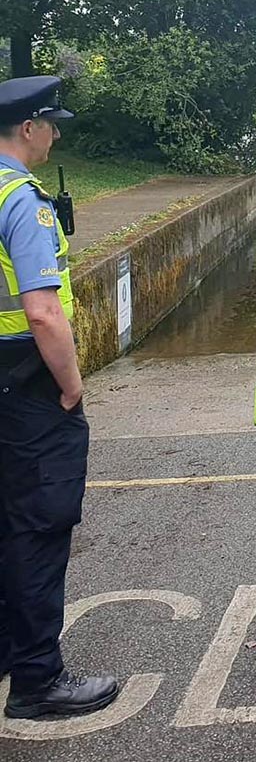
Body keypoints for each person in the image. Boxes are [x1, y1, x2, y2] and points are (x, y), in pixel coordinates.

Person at [0, 75, 119, 719]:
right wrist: (71, 384)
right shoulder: (23, 201)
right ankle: (38, 679)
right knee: (39, 523)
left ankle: (7, 649)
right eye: (51, 124)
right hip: (27, 380)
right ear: (28, 128)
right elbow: (44, 311)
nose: (56, 135)